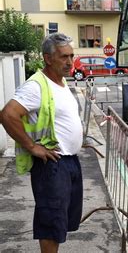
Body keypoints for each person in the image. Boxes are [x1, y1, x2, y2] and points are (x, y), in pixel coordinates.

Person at [0, 33, 83, 253]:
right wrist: (32, 146)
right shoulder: (36, 86)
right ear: (48, 58)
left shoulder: (61, 82)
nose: (69, 62)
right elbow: (8, 114)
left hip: (69, 162)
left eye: (71, 56)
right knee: (50, 225)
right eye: (63, 57)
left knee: (61, 222)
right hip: (53, 166)